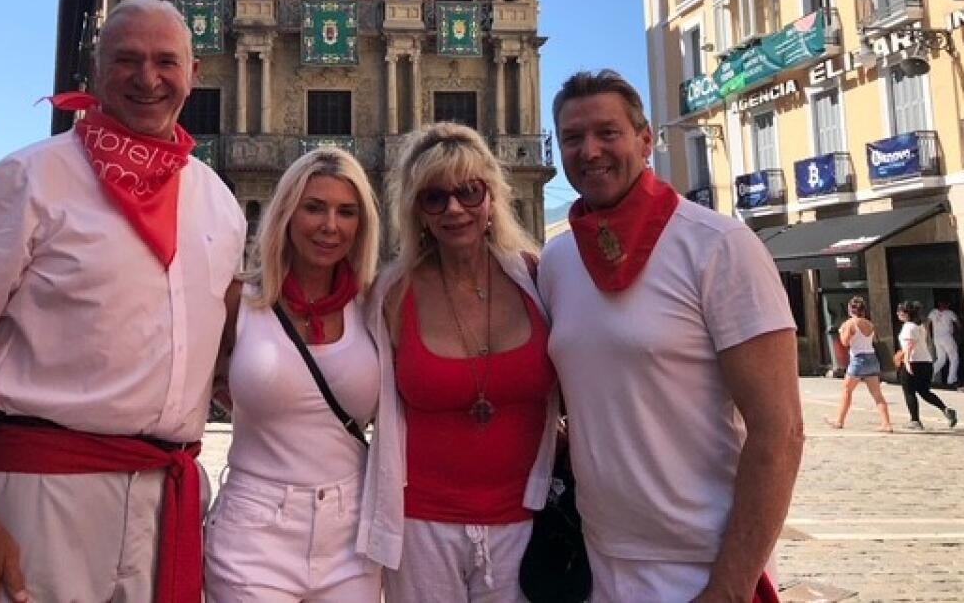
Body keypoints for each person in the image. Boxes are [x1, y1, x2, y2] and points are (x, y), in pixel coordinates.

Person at [0, 0, 246, 603]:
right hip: (45, 496)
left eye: (165, 62)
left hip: (164, 499)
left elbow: (224, 355)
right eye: (127, 60)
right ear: (96, 71)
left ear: (194, 74)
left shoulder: (220, 204)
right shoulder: (28, 179)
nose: (148, 78)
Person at [538, 70, 802, 602]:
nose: (589, 151)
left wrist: (729, 587)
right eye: (572, 138)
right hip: (597, 555)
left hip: (699, 561)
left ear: (645, 138)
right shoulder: (558, 260)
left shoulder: (719, 245)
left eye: (607, 133)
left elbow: (781, 432)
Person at [360, 122, 559, 602]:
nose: (454, 209)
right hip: (421, 524)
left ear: (492, 197)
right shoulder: (391, 294)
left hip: (525, 521)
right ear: (418, 212)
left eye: (469, 192)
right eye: (434, 198)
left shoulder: (540, 279)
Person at [204, 147, 382, 602]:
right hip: (254, 531)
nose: (330, 225)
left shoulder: (376, 306)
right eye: (314, 207)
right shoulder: (236, 301)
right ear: (285, 211)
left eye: (347, 212)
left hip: (352, 534)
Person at [827, 297, 892, 433]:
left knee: (847, 390)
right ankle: (886, 424)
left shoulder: (850, 323)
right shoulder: (870, 324)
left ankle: (839, 421)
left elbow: (845, 342)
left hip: (858, 359)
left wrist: (842, 331)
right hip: (872, 358)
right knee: (877, 394)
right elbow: (873, 339)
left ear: (850, 309)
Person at [896, 301, 958, 431]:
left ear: (906, 314)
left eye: (900, 311)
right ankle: (945, 409)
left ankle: (915, 420)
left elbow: (909, 346)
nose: (898, 313)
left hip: (914, 362)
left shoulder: (908, 327)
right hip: (926, 362)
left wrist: (906, 362)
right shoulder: (920, 326)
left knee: (909, 392)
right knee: (924, 391)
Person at [928, 299, 961, 388]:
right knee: (954, 358)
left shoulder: (933, 312)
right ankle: (951, 380)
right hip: (947, 337)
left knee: (941, 359)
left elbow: (927, 324)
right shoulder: (950, 313)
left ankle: (928, 377)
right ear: (948, 303)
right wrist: (960, 333)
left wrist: (929, 335)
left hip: (937, 338)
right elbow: (958, 324)